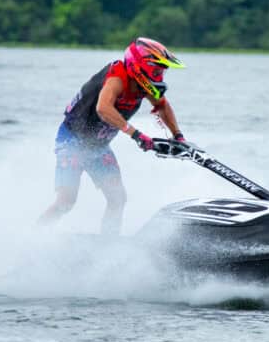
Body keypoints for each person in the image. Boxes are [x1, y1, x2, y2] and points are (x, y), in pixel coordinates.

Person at [38, 37, 187, 234]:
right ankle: (35, 235)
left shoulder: (145, 87)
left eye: (162, 72)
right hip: (72, 141)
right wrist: (136, 135)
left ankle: (109, 245)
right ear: (140, 67)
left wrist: (178, 136)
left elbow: (162, 106)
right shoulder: (117, 78)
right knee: (66, 201)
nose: (160, 76)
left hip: (98, 147)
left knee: (118, 199)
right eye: (157, 71)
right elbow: (103, 108)